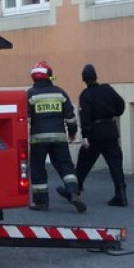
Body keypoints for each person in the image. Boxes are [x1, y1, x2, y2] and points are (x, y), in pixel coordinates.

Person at [60, 63, 128, 207]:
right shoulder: (107, 89)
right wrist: (111, 114)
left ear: (84, 79)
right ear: (96, 76)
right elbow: (121, 106)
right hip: (110, 131)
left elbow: (85, 117)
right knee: (115, 165)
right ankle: (120, 194)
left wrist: (85, 137)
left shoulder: (86, 95)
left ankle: (74, 189)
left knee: (84, 163)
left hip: (94, 134)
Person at [26, 61, 86, 213]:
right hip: (59, 137)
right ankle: (73, 193)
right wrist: (72, 133)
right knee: (66, 166)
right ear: (49, 76)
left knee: (38, 169)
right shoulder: (59, 93)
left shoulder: (30, 95)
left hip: (38, 139)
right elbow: (70, 117)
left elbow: (25, 119)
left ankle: (41, 203)